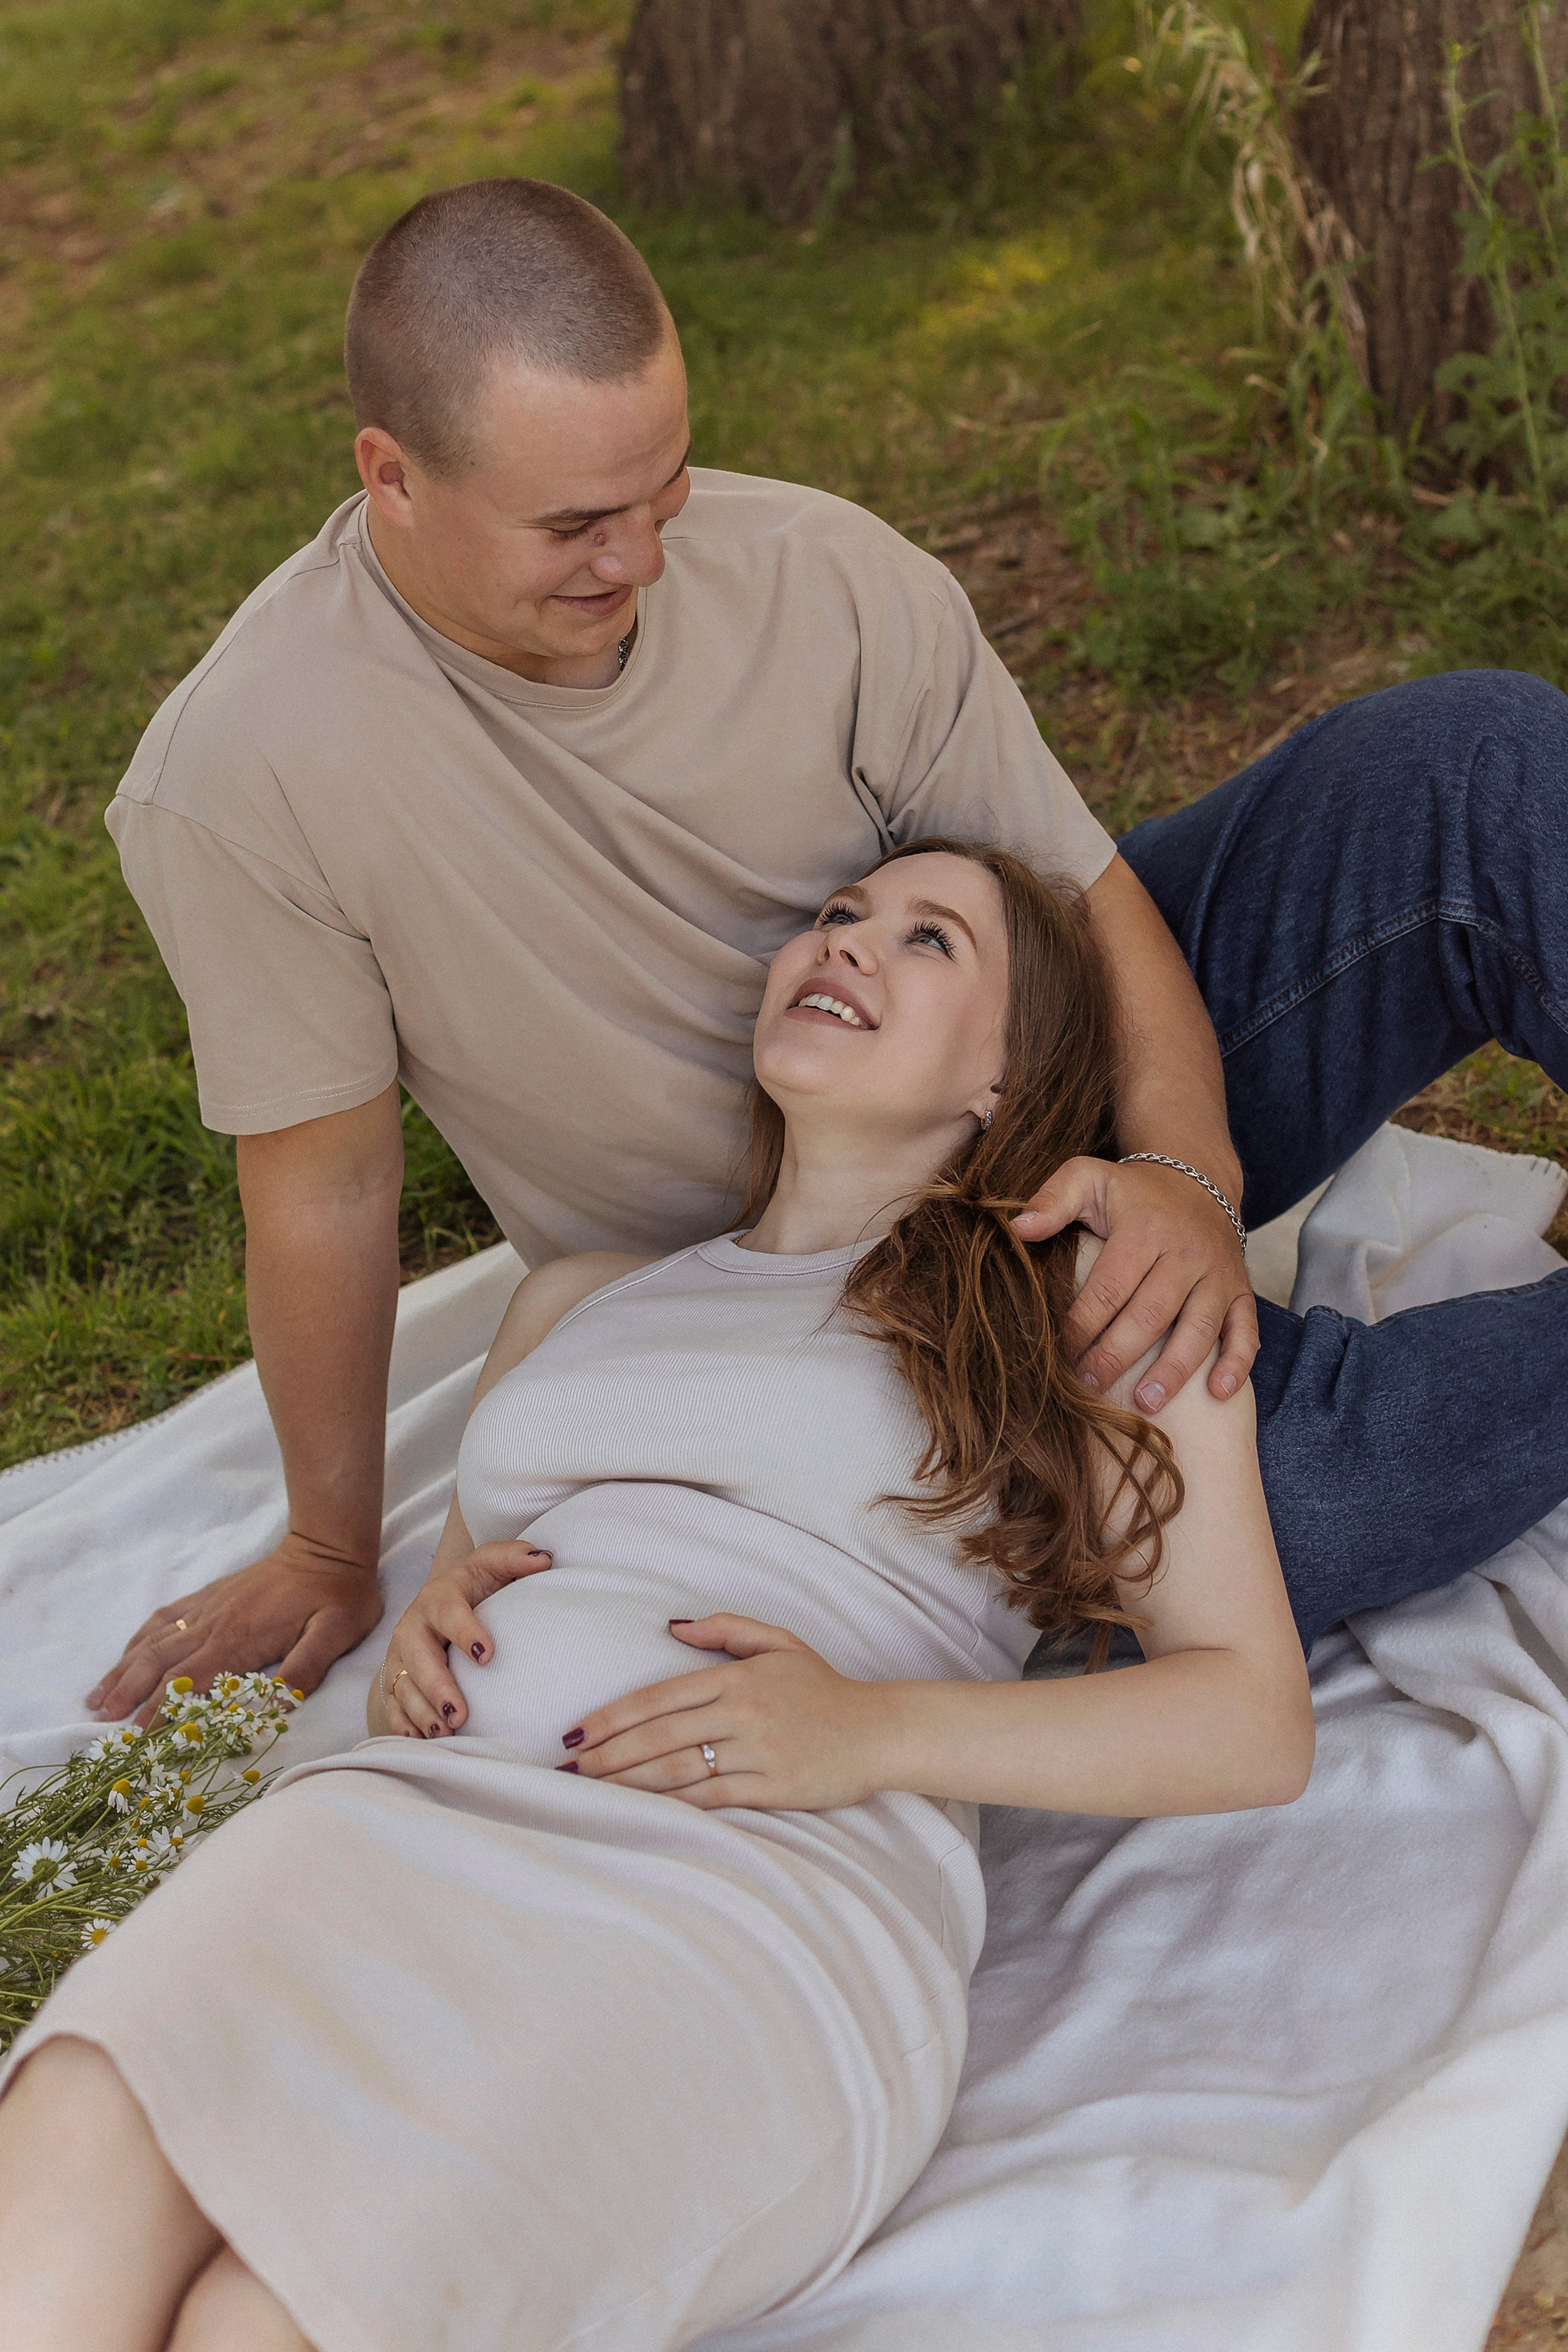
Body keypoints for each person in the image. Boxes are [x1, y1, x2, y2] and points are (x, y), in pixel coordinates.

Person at [83, 176, 1568, 1728]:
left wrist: (1185, 1181)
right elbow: (321, 1186)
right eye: (575, 525)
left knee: (1474, 765)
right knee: (1272, 1513)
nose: (640, 561)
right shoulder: (244, 780)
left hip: (1004, 1063)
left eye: (660, 491)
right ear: (389, 476)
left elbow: (1089, 901)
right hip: (819, 1308)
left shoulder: (827, 577)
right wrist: (330, 1540)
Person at [0, 842, 1314, 2352]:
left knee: (275, 2311)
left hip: (729, 1901)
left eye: (928, 940)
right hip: (392, 1831)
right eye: (836, 917)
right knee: (85, 2119)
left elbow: (1247, 1720)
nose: (850, 945)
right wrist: (416, 1649)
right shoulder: (580, 1298)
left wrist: (866, 1732)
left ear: (1007, 1084)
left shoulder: (1081, 1297)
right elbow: (456, 1600)